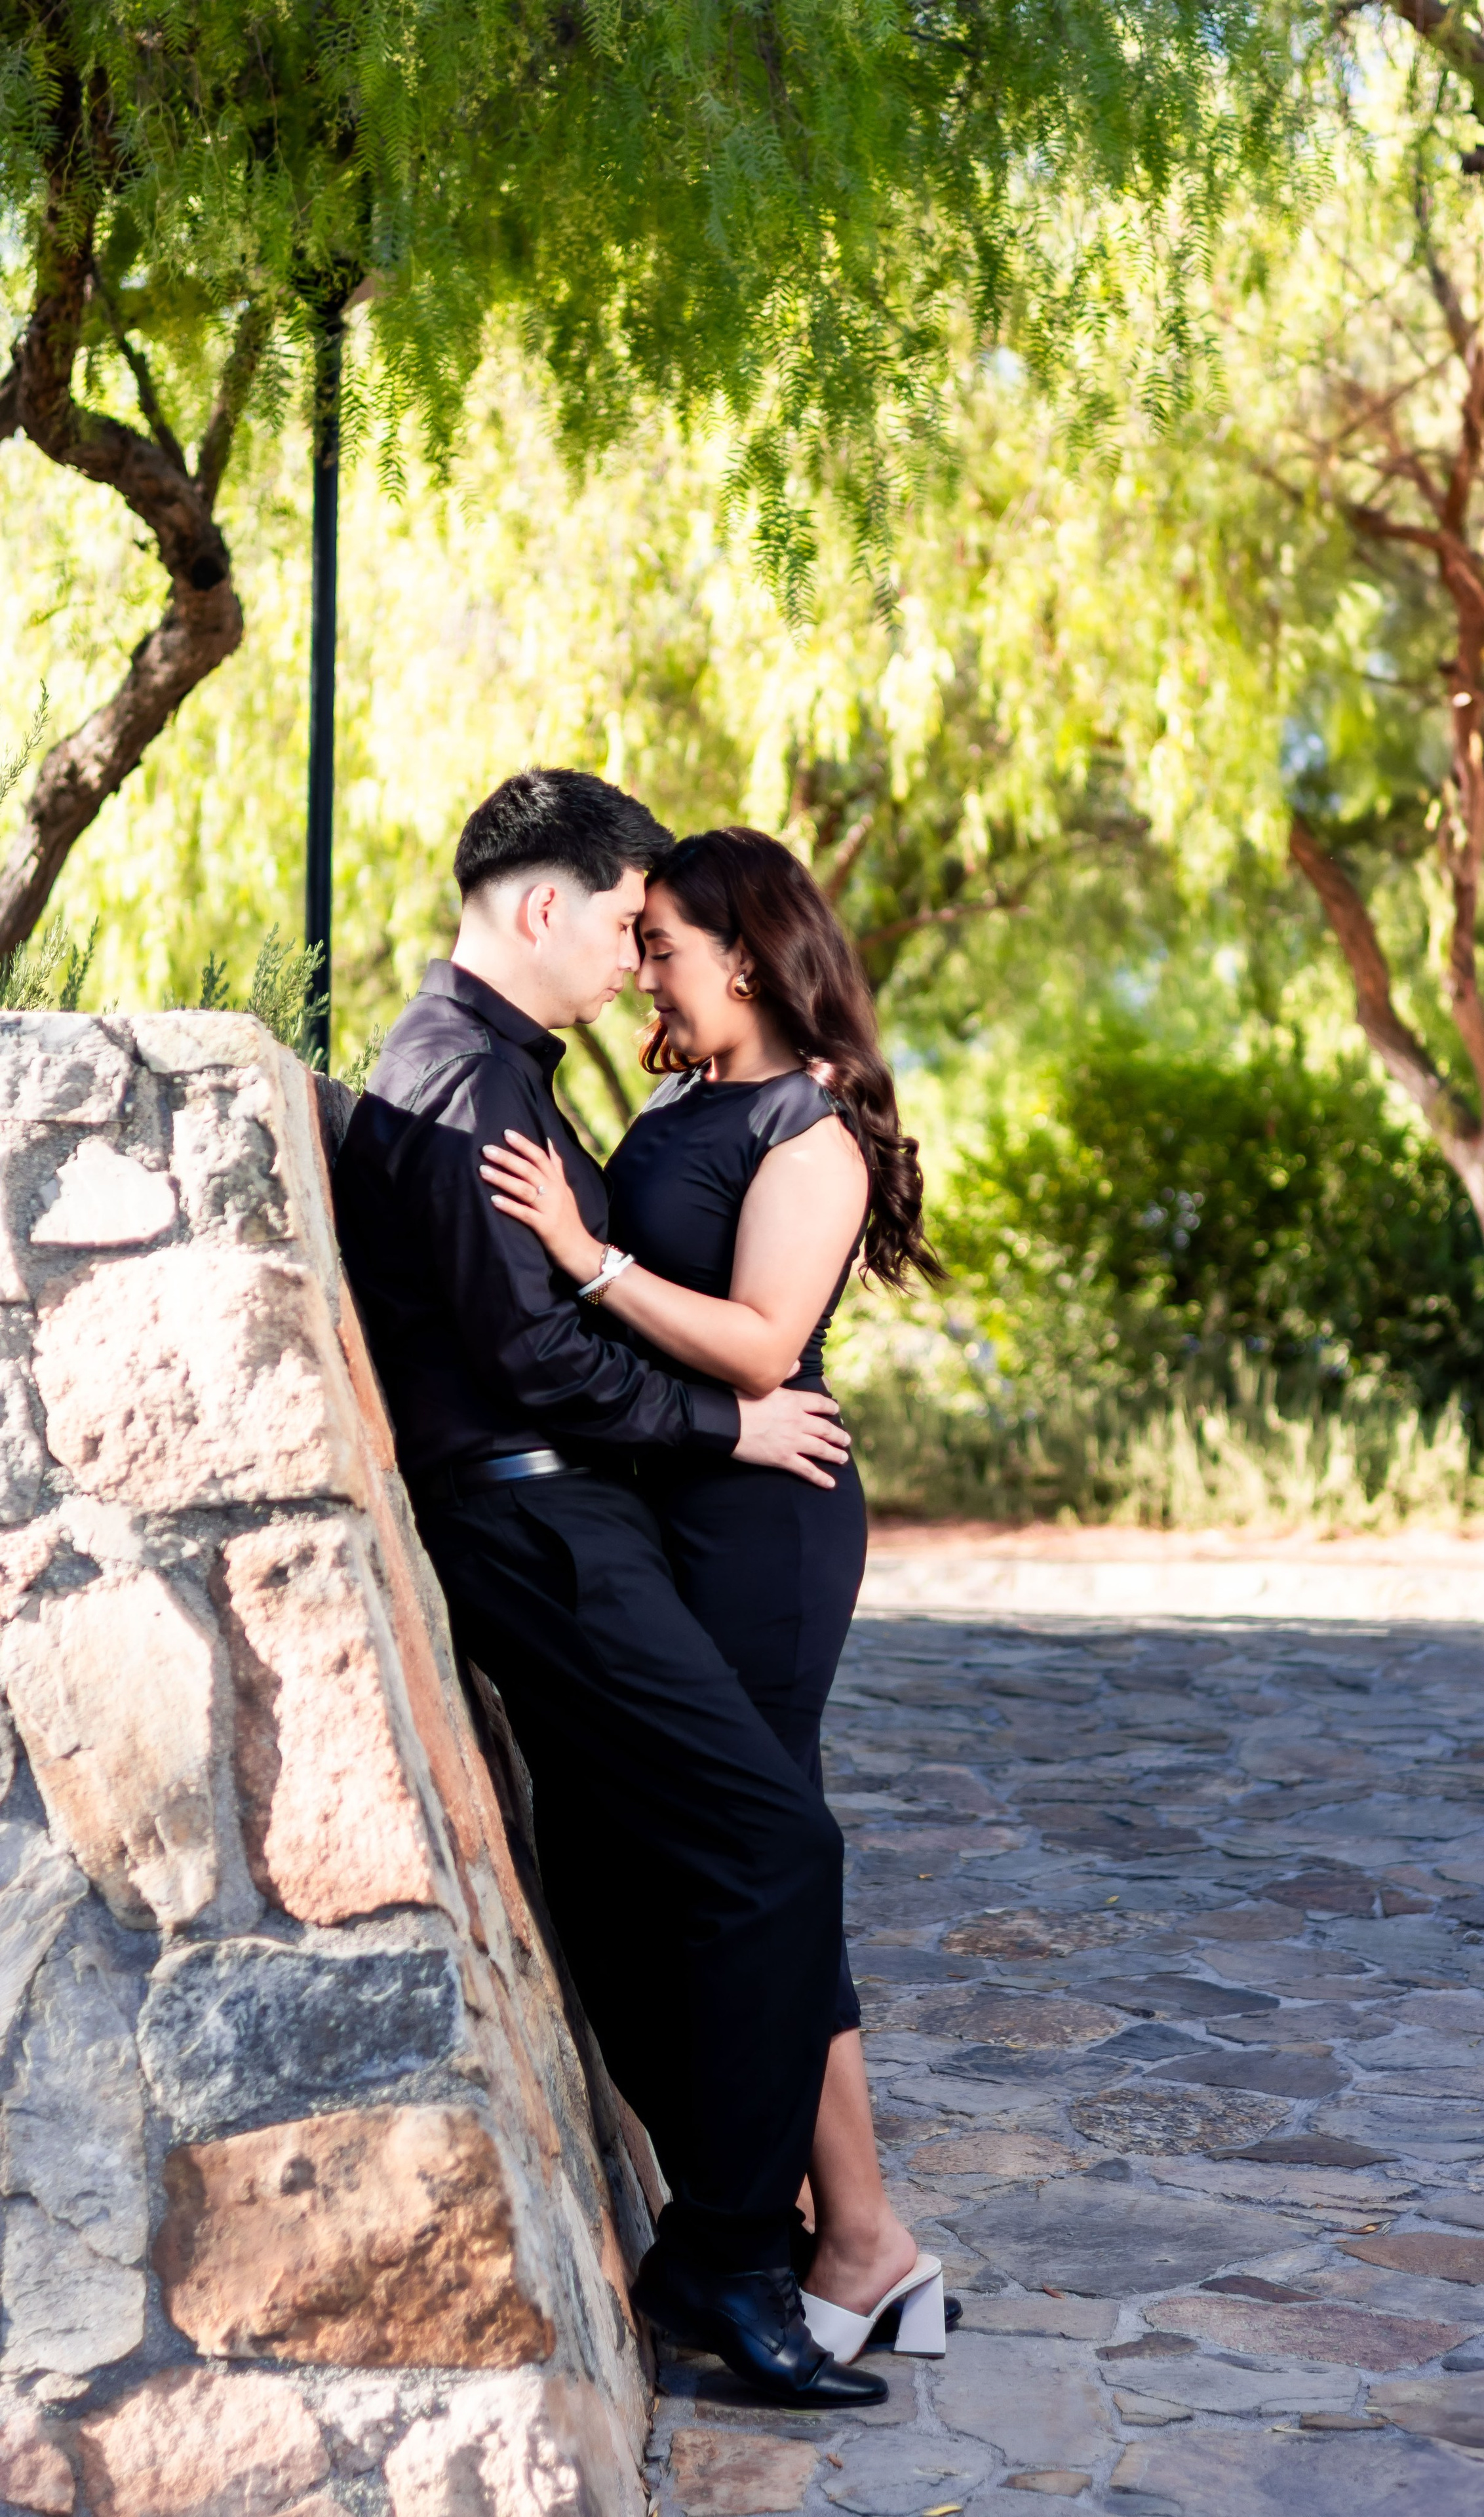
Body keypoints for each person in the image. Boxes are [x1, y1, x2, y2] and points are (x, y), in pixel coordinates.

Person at [332, 769, 890, 2409]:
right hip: (539, 1525)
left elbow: (580, 1323)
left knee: (709, 1856)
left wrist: (693, 1383)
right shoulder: (462, 1085)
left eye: (661, 936)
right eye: (621, 927)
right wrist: (723, 1416)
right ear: (538, 907)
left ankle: (755, 2237)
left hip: (594, 1520)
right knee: (769, 1845)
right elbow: (536, 1360)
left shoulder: (513, 1077)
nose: (631, 963)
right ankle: (735, 2246)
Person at [478, 827, 948, 2365]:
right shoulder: (692, 1097)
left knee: (759, 1851)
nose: (640, 965)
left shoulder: (807, 1129)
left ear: (745, 956)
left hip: (763, 1519)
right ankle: (848, 2235)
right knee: (729, 1861)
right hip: (678, 1503)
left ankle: (863, 2238)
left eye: (664, 941)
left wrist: (579, 1256)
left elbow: (758, 1341)